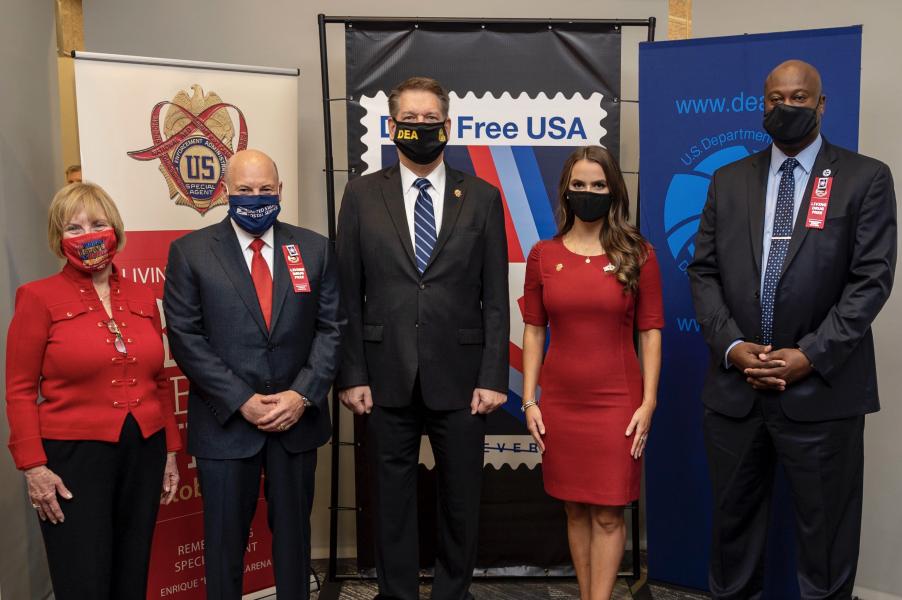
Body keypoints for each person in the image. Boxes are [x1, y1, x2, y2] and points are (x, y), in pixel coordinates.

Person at [688, 60, 897, 599]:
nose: (786, 107)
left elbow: (870, 281)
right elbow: (704, 271)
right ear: (763, 106)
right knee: (732, 539)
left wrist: (809, 354)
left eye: (799, 98)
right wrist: (733, 347)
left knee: (825, 547)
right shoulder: (728, 181)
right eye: (776, 98)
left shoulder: (864, 178)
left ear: (822, 105)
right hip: (736, 393)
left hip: (823, 392)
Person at [336, 76, 509, 600]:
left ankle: (452, 593)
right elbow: (346, 294)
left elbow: (496, 298)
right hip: (384, 376)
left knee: (461, 499)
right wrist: (352, 374)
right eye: (409, 120)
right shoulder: (362, 194)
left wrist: (493, 376)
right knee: (391, 501)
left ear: (447, 126)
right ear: (392, 128)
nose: (420, 128)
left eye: (429, 119)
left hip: (462, 378)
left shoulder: (481, 197)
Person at [163, 149, 343, 600]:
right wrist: (241, 398)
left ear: (280, 191)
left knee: (294, 543)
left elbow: (333, 329)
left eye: (265, 189)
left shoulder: (314, 248)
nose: (256, 198)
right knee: (224, 545)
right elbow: (185, 337)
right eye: (244, 190)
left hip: (296, 423)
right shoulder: (190, 252)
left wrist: (301, 396)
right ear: (226, 192)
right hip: (226, 424)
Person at [5, 182, 181, 599]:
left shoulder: (141, 295)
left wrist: (170, 451)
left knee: (132, 567)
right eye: (74, 228)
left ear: (115, 229)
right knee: (82, 576)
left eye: (97, 224)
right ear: (57, 239)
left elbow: (158, 380)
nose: (87, 235)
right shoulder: (37, 297)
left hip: (144, 448)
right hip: (72, 460)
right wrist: (33, 467)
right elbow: (19, 389)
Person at [521, 146, 664, 600]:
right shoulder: (542, 254)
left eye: (598, 185)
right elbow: (533, 331)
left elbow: (651, 332)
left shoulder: (638, 254)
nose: (588, 193)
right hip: (560, 403)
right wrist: (529, 400)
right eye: (579, 185)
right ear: (566, 191)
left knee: (607, 514)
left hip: (618, 403)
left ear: (613, 191)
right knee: (575, 510)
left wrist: (648, 402)